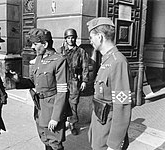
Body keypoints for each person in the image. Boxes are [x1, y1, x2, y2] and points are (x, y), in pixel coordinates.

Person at [12, 28, 70, 150]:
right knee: (45, 138)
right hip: (39, 107)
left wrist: (56, 117)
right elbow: (33, 82)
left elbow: (62, 91)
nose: (33, 47)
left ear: (45, 44)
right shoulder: (39, 59)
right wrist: (18, 80)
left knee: (55, 142)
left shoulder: (59, 60)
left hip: (52, 107)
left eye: (35, 44)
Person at [87, 17, 133, 150]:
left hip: (108, 132)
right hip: (100, 126)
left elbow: (122, 106)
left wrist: (114, 144)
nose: (90, 41)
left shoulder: (118, 62)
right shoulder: (106, 60)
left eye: (91, 37)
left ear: (100, 37)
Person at [57, 28, 89, 135]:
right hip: (62, 80)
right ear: (65, 39)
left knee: (73, 103)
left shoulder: (81, 52)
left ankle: (72, 124)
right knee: (61, 101)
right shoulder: (61, 51)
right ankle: (62, 123)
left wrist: (84, 81)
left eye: (73, 38)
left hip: (74, 81)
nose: (71, 40)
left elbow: (85, 66)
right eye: (68, 38)